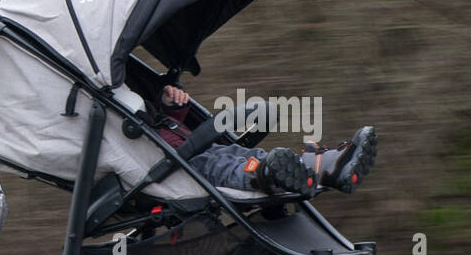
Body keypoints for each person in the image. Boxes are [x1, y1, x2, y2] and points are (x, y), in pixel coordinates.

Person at [154, 84, 377, 196]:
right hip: (175, 166)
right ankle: (266, 174)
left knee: (242, 155)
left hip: (192, 147)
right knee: (222, 167)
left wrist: (173, 109)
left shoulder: (131, 96)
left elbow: (167, 127)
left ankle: (325, 168)